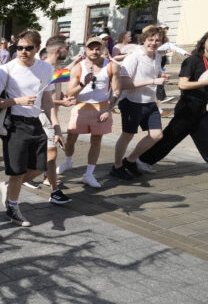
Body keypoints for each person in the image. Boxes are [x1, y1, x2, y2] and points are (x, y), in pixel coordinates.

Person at [0, 29, 63, 227]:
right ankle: (13, 207)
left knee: (41, 166)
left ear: (38, 48)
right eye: (19, 47)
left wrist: (56, 126)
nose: (22, 51)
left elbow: (47, 100)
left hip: (34, 122)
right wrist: (16, 101)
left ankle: (9, 186)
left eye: (28, 48)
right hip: (14, 123)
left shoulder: (45, 69)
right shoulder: (7, 69)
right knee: (17, 170)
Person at [20, 36, 78, 203]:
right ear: (59, 51)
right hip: (42, 116)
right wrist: (61, 101)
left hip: (51, 116)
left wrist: (64, 98)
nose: (68, 51)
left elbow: (58, 91)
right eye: (67, 48)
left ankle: (54, 190)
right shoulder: (45, 69)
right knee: (50, 154)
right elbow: (40, 99)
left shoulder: (56, 68)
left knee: (50, 154)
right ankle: (13, 184)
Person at [59, 36, 122, 187]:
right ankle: (68, 161)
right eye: (91, 48)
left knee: (96, 141)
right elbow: (69, 93)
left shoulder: (112, 66)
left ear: (103, 49)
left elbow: (117, 90)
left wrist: (108, 109)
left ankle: (88, 174)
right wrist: (83, 83)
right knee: (71, 138)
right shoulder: (77, 67)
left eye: (98, 48)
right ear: (86, 49)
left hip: (101, 107)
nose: (94, 51)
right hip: (81, 106)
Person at [139, 31, 208, 166]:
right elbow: (182, 84)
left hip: (201, 109)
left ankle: (141, 161)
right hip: (187, 109)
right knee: (169, 139)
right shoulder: (193, 60)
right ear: (204, 41)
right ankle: (139, 161)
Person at [111, 26, 168, 180]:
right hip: (132, 101)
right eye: (151, 40)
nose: (154, 43)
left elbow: (155, 75)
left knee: (157, 135)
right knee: (128, 135)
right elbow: (125, 84)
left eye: (158, 40)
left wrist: (161, 76)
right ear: (144, 40)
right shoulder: (133, 57)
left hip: (149, 101)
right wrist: (154, 80)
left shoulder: (157, 56)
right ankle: (116, 166)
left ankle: (130, 161)